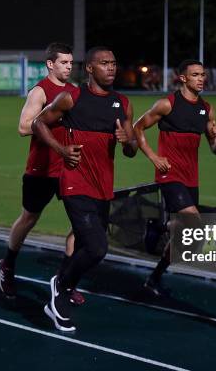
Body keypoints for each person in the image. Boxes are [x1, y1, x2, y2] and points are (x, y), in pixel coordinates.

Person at [32, 46, 137, 331]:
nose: (111, 68)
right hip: (75, 182)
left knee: (86, 244)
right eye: (104, 63)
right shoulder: (72, 97)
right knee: (97, 247)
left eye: (114, 63)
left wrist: (127, 140)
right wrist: (60, 149)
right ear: (90, 68)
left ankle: (62, 286)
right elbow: (38, 122)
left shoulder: (122, 102)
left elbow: (131, 150)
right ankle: (61, 285)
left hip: (103, 187)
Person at [0, 43, 83, 305]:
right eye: (64, 63)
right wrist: (55, 113)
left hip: (70, 167)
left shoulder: (76, 91)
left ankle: (65, 282)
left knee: (81, 223)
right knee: (29, 218)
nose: (69, 67)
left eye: (71, 63)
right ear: (50, 64)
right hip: (41, 169)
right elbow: (24, 127)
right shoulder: (40, 91)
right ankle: (7, 264)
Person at [133, 59, 216, 296]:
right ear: (183, 78)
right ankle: (163, 228)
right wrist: (153, 157)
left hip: (192, 178)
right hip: (169, 174)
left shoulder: (207, 109)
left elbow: (214, 148)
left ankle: (154, 275)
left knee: (184, 237)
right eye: (195, 75)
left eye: (203, 74)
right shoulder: (166, 104)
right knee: (195, 223)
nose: (201, 78)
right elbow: (137, 127)